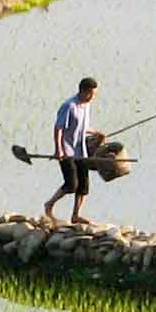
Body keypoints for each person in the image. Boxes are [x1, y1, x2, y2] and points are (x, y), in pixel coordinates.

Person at [44, 76, 99, 227]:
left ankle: (76, 215)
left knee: (84, 185)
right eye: (91, 94)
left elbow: (84, 127)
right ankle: (49, 204)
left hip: (81, 150)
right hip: (67, 150)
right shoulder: (69, 106)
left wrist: (96, 133)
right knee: (71, 184)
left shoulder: (86, 106)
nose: (93, 97)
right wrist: (58, 149)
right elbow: (59, 128)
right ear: (84, 91)